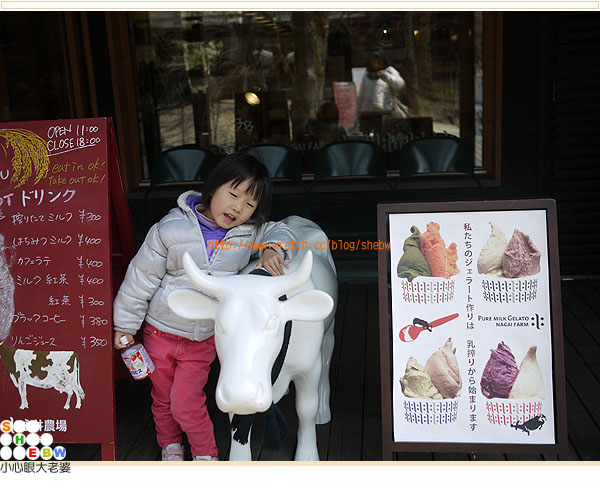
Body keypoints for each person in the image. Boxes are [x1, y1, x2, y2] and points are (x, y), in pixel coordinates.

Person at [113, 153, 296, 461]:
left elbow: (281, 229)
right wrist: (125, 326)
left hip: (202, 339)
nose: (238, 208)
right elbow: (140, 278)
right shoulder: (170, 228)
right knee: (161, 398)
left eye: (250, 204)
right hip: (160, 332)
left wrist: (271, 249)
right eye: (233, 194)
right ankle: (170, 445)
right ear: (212, 188)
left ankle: (205, 454)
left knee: (186, 401)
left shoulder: (249, 232)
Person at [354, 50, 409, 125]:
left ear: (383, 62)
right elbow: (360, 96)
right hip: (367, 114)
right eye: (373, 62)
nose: (376, 65)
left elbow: (401, 85)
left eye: (378, 62)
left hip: (385, 113)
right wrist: (356, 117)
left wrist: (387, 77)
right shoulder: (366, 74)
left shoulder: (389, 71)